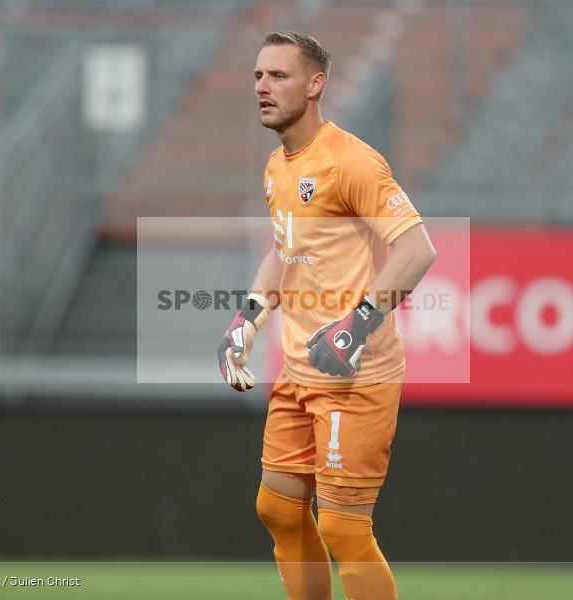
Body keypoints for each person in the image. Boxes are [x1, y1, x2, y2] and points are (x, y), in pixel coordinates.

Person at [217, 31, 436, 600]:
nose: (263, 86)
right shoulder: (278, 166)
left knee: (342, 527)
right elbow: (284, 252)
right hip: (297, 373)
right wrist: (245, 323)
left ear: (317, 85)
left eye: (279, 76)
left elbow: (417, 250)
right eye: (259, 76)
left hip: (354, 377)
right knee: (280, 511)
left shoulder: (351, 162)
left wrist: (354, 327)